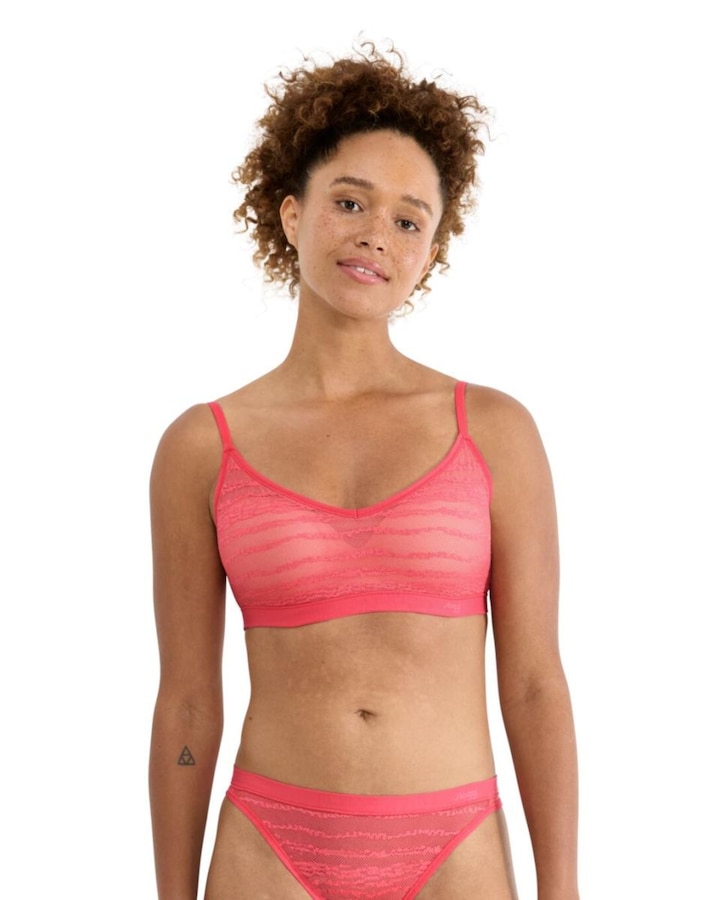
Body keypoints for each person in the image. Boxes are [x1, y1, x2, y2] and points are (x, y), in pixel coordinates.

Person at [149, 43, 579, 900]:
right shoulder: (200, 446)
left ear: (430, 251)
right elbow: (188, 703)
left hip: (454, 850)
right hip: (267, 851)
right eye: (349, 201)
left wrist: (561, 889)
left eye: (408, 220)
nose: (375, 234)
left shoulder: (494, 431)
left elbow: (534, 685)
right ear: (289, 215)